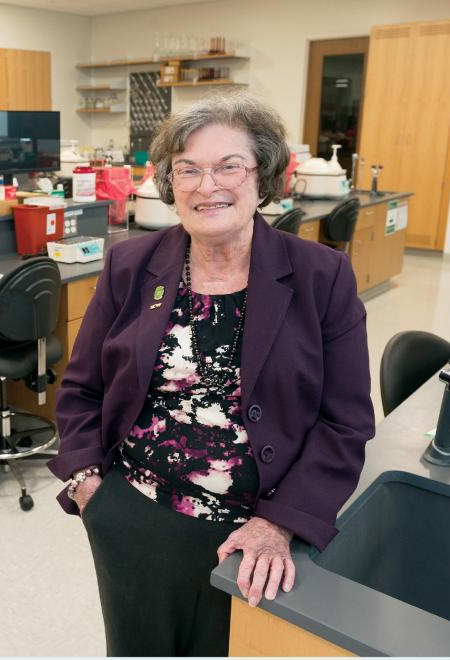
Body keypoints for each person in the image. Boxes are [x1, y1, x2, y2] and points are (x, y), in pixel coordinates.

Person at [47, 91, 375, 657]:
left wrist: (280, 524)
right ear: (169, 183)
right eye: (188, 169)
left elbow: (344, 424)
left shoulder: (322, 276)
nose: (207, 185)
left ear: (263, 177)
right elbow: (81, 388)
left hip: (254, 531)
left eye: (229, 166)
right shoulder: (131, 265)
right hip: (130, 513)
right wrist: (87, 487)